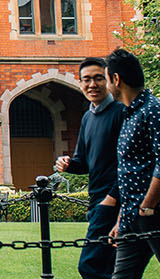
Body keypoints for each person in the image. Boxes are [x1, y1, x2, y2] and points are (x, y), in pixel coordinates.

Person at [105, 48, 160, 279]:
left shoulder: (156, 111)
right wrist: (122, 220)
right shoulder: (130, 114)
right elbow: (129, 173)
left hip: (159, 213)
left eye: (106, 79)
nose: (107, 86)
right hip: (134, 216)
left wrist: (148, 207)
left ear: (116, 79)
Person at [54, 56, 123, 279]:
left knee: (90, 265)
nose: (91, 85)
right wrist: (67, 164)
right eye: (86, 80)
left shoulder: (121, 113)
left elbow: (128, 164)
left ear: (110, 80)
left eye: (98, 79)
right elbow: (83, 162)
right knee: (112, 267)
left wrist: (112, 198)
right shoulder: (88, 117)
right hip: (96, 201)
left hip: (113, 201)